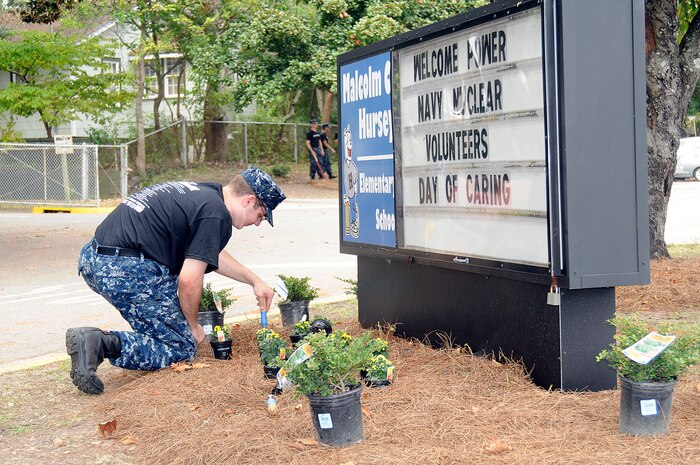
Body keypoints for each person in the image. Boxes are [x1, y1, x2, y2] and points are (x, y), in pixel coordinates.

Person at [65, 166, 286, 395]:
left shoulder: (207, 194)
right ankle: (98, 343)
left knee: (168, 330)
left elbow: (206, 250)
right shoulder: (215, 214)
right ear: (249, 201)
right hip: (125, 270)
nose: (258, 223)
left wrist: (253, 280)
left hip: (95, 258)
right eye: (260, 215)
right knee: (180, 346)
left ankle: (107, 343)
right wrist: (191, 327)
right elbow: (189, 281)